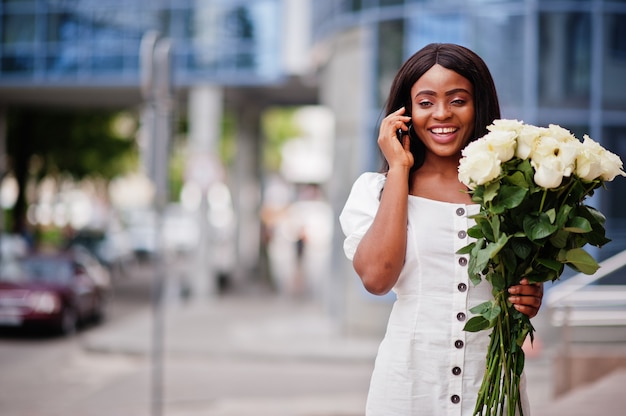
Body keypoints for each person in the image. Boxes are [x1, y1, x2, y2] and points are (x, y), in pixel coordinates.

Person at [339, 43, 543, 415]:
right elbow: (376, 278)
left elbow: (521, 282)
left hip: (493, 388)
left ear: (478, 105)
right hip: (407, 387)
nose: (442, 114)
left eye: (457, 100)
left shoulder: (516, 190)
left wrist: (528, 296)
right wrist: (398, 168)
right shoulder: (376, 190)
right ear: (406, 112)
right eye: (426, 102)